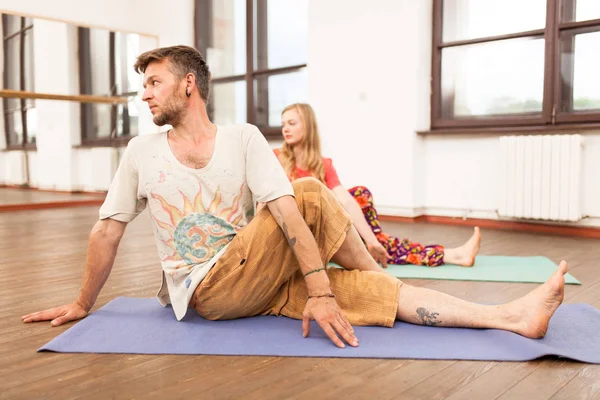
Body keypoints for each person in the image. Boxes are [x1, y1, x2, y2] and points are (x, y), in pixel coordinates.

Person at [22, 45, 568, 349]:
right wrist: (82, 303)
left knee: (374, 295)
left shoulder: (241, 138)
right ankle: (367, 264)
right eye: (143, 85)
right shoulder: (142, 150)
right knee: (308, 191)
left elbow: (281, 216)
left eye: (154, 82)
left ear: (189, 85)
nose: (144, 93)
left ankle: (512, 319)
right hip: (206, 290)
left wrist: (323, 289)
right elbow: (107, 229)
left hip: (261, 278)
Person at [275, 103, 480, 269]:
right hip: (300, 235)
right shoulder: (276, 159)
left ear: (308, 126)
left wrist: (371, 240)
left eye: (292, 123)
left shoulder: (323, 164)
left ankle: (376, 244)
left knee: (359, 195)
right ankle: (450, 254)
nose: (285, 129)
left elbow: (344, 199)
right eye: (283, 124)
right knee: (370, 224)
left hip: (328, 229)